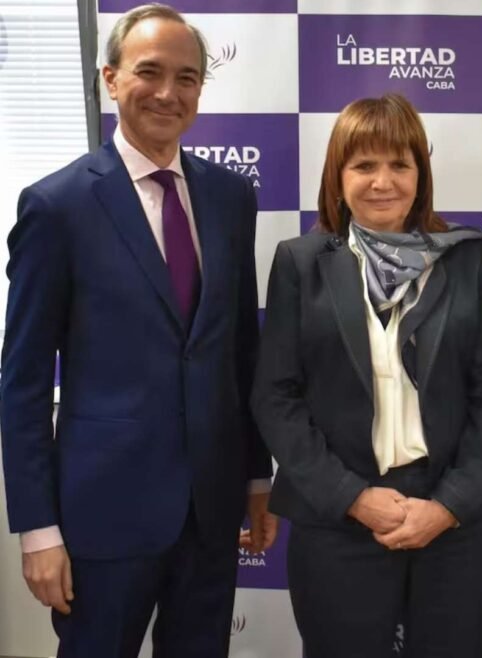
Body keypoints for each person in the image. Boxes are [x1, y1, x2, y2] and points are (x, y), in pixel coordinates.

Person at [0, 3, 276, 655]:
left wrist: (256, 478)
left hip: (210, 513)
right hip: (103, 517)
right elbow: (25, 382)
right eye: (148, 72)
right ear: (110, 79)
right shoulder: (57, 206)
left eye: (186, 77)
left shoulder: (230, 197)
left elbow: (240, 349)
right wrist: (36, 529)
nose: (167, 92)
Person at [250, 93, 482, 658]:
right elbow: (276, 397)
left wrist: (447, 506)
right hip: (339, 519)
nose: (383, 182)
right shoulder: (300, 263)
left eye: (400, 164)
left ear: (421, 174)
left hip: (451, 523)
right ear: (337, 176)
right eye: (364, 165)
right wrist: (353, 497)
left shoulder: (468, 258)